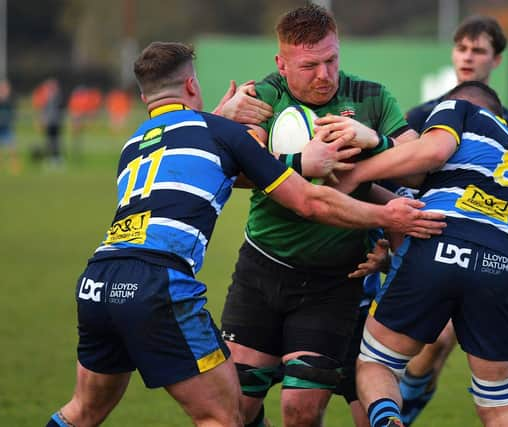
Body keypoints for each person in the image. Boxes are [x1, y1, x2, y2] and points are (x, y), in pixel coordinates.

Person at [45, 41, 439, 427]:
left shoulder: (134, 145)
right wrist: (386, 214)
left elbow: (189, 136)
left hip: (98, 281)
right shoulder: (220, 133)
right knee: (222, 415)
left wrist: (223, 115)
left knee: (83, 411)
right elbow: (309, 202)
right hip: (157, 283)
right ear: (191, 86)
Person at [215, 4, 446, 427]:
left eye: (331, 60)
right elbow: (237, 172)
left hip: (333, 281)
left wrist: (374, 140)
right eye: (309, 65)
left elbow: (418, 169)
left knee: (300, 410)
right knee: (237, 407)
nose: (324, 75)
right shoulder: (262, 99)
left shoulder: (371, 97)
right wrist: (298, 162)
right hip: (262, 269)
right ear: (281, 64)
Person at [334, 81, 508, 427]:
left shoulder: (460, 109)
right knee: (502, 407)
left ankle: (387, 421)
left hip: (439, 244)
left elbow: (429, 156)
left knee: (376, 363)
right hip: (503, 263)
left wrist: (356, 175)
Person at [398, 15, 508, 425]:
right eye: (462, 48)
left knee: (437, 344)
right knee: (421, 347)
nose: (468, 57)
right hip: (418, 241)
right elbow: (400, 179)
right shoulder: (422, 115)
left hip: (481, 247)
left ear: (498, 60)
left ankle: (400, 411)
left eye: (479, 50)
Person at [0, 79, 20, 174]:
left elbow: (13, 114)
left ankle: (14, 168)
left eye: (5, 88)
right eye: (2, 88)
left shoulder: (11, 100)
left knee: (12, 148)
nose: (4, 90)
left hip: (7, 128)